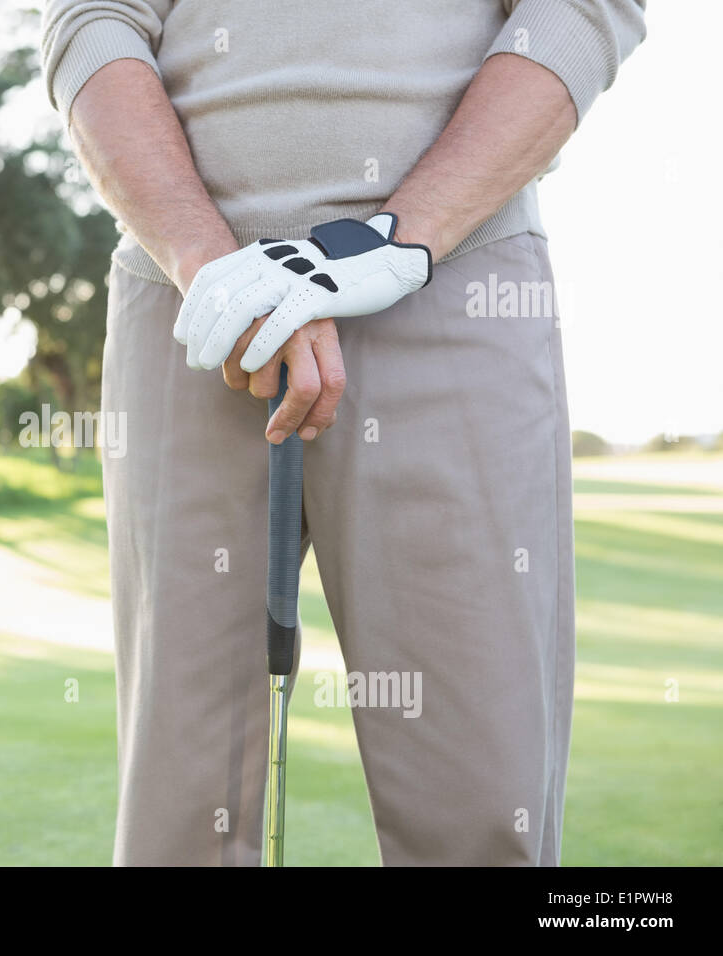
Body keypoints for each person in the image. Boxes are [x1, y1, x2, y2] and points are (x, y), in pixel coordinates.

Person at [40, 0, 647, 866]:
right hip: (191, 300)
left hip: (456, 275)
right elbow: (94, 22)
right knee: (181, 819)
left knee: (477, 810)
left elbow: (576, 13)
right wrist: (207, 262)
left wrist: (398, 238)